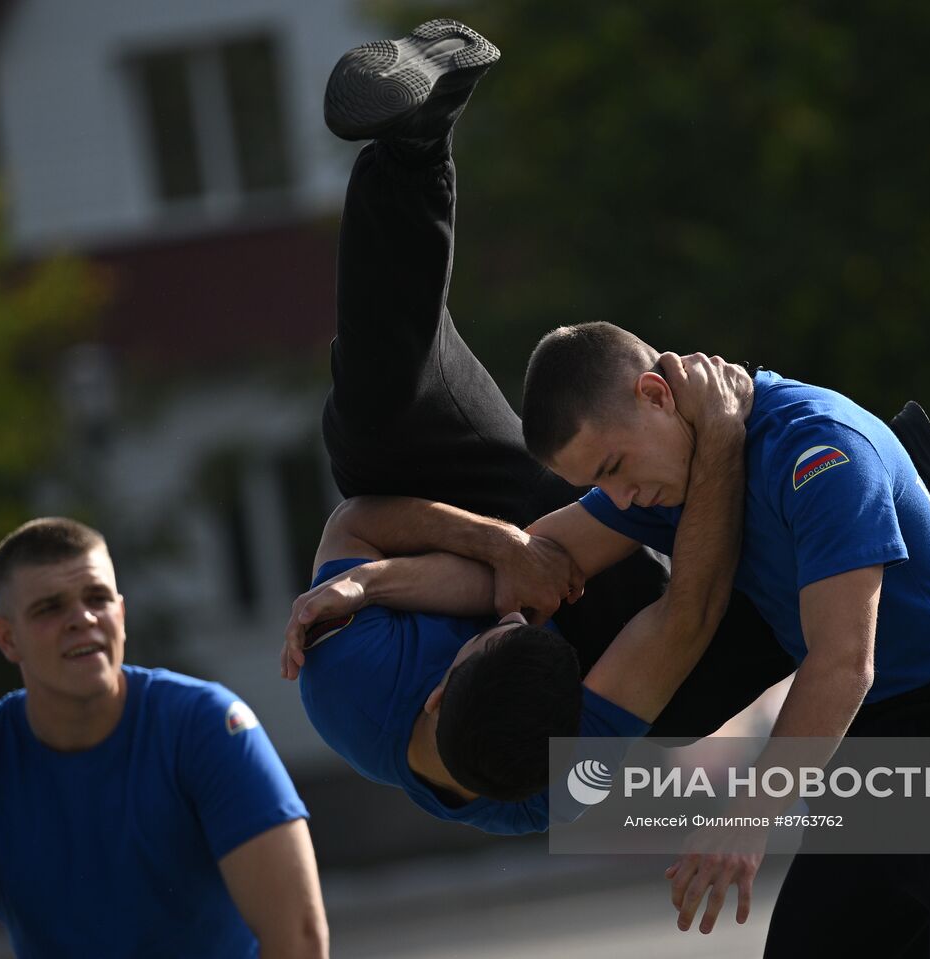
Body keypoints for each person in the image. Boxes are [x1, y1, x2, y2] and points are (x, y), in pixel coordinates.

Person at [276, 18, 791, 843]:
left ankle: (414, 142)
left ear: (438, 689)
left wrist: (492, 552)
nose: (520, 610)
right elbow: (683, 616)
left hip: (486, 512)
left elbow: (359, 521)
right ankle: (923, 519)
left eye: (498, 631)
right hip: (632, 635)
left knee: (372, 435)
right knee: (712, 668)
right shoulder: (565, 780)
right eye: (524, 619)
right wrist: (723, 439)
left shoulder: (342, 679)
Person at [518, 325, 930, 956]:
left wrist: (750, 814)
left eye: (613, 468)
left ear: (656, 396)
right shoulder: (670, 474)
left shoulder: (818, 448)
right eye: (597, 483)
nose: (619, 498)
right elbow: (537, 555)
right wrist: (385, 578)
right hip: (866, 760)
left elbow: (842, 663)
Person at [0, 518, 328, 959]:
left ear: (121, 614)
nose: (82, 618)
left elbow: (299, 938)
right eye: (49, 607)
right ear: (8, 639)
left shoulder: (206, 725)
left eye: (97, 597)